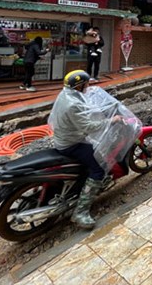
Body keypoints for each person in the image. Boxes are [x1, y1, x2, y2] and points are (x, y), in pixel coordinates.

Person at [49, 70, 106, 229]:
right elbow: (88, 127)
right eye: (86, 84)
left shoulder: (65, 94)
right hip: (71, 144)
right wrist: (110, 121)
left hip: (63, 137)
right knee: (98, 170)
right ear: (80, 86)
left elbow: (83, 108)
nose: (88, 86)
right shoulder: (73, 104)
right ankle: (80, 212)